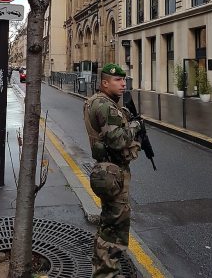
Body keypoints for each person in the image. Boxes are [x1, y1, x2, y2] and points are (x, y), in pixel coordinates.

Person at [83, 63, 142, 277]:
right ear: (104, 83)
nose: (123, 83)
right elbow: (118, 140)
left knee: (110, 223)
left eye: (124, 79)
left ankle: (105, 269)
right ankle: (106, 272)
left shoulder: (99, 102)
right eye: (118, 80)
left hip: (110, 171)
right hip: (113, 172)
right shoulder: (104, 105)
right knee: (114, 226)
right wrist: (136, 126)